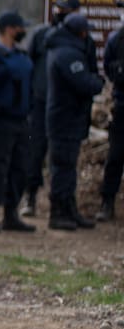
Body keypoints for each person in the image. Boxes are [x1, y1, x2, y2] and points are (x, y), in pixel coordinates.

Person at [22, 0, 82, 216]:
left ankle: (64, 203)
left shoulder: (80, 38)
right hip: (40, 102)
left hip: (65, 107)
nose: (60, 14)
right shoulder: (40, 34)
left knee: (64, 157)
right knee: (35, 151)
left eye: (66, 11)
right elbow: (28, 66)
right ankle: (30, 197)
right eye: (58, 9)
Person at [0, 11, 36, 233]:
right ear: (10, 29)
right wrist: (3, 71)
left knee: (19, 168)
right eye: (20, 28)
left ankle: (11, 215)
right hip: (1, 120)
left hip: (22, 121)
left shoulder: (23, 55)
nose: (23, 32)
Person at [45, 14, 103, 230]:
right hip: (64, 119)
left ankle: (69, 209)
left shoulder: (69, 49)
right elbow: (84, 83)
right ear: (78, 32)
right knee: (62, 167)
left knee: (69, 168)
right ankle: (58, 213)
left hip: (70, 118)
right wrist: (97, 82)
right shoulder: (67, 53)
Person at [98, 20, 124, 222]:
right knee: (115, 157)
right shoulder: (117, 39)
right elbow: (108, 68)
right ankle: (107, 203)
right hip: (122, 105)